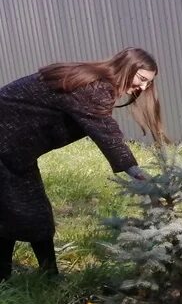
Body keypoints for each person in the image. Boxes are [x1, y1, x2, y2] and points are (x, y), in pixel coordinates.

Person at [0, 47, 167, 281]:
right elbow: (106, 132)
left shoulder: (91, 80)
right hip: (7, 149)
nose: (143, 87)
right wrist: (137, 173)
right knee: (22, 212)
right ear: (126, 68)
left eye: (149, 83)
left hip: (15, 152)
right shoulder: (94, 88)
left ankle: (33, 276)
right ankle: (40, 277)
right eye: (141, 78)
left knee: (20, 212)